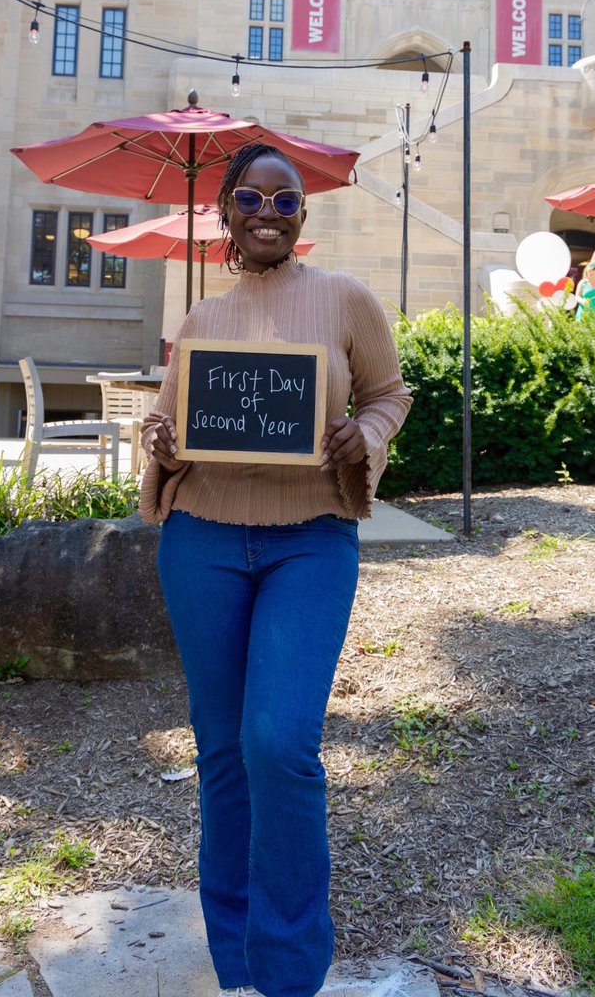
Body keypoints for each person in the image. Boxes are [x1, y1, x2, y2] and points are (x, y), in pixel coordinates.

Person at [138, 143, 412, 997]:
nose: (268, 212)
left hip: (310, 540)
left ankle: (289, 969)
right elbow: (167, 423)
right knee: (223, 750)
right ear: (225, 210)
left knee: (279, 742)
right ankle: (238, 962)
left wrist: (364, 436)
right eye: (251, 199)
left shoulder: (345, 298)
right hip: (202, 541)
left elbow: (390, 395)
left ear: (302, 215)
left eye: (285, 201)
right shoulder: (202, 320)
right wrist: (158, 440)